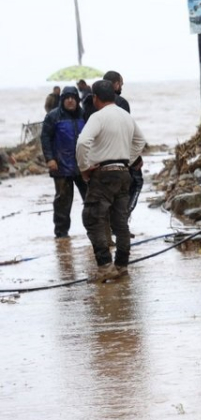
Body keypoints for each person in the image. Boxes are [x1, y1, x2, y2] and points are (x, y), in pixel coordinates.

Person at [77, 80, 146, 281]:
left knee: (92, 218)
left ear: (95, 98)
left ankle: (105, 266)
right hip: (124, 173)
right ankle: (121, 266)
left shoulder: (97, 117)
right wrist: (128, 160)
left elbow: (82, 142)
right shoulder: (126, 116)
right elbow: (140, 140)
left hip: (103, 174)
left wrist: (84, 168)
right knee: (120, 222)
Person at [81, 70, 142, 213]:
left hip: (95, 161)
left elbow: (84, 138)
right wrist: (134, 158)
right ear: (115, 84)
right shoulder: (120, 103)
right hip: (119, 159)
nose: (122, 87)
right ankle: (125, 216)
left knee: (101, 201)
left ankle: (113, 219)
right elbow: (129, 134)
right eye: (121, 84)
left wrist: (84, 166)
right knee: (136, 183)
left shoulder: (88, 104)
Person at [40, 86, 88, 238]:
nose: (70, 100)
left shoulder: (84, 114)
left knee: (91, 198)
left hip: (83, 166)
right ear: (62, 100)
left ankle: (94, 230)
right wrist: (50, 159)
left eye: (73, 97)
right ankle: (61, 233)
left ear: (77, 100)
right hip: (61, 166)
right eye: (67, 98)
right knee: (62, 202)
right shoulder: (53, 116)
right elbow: (45, 138)